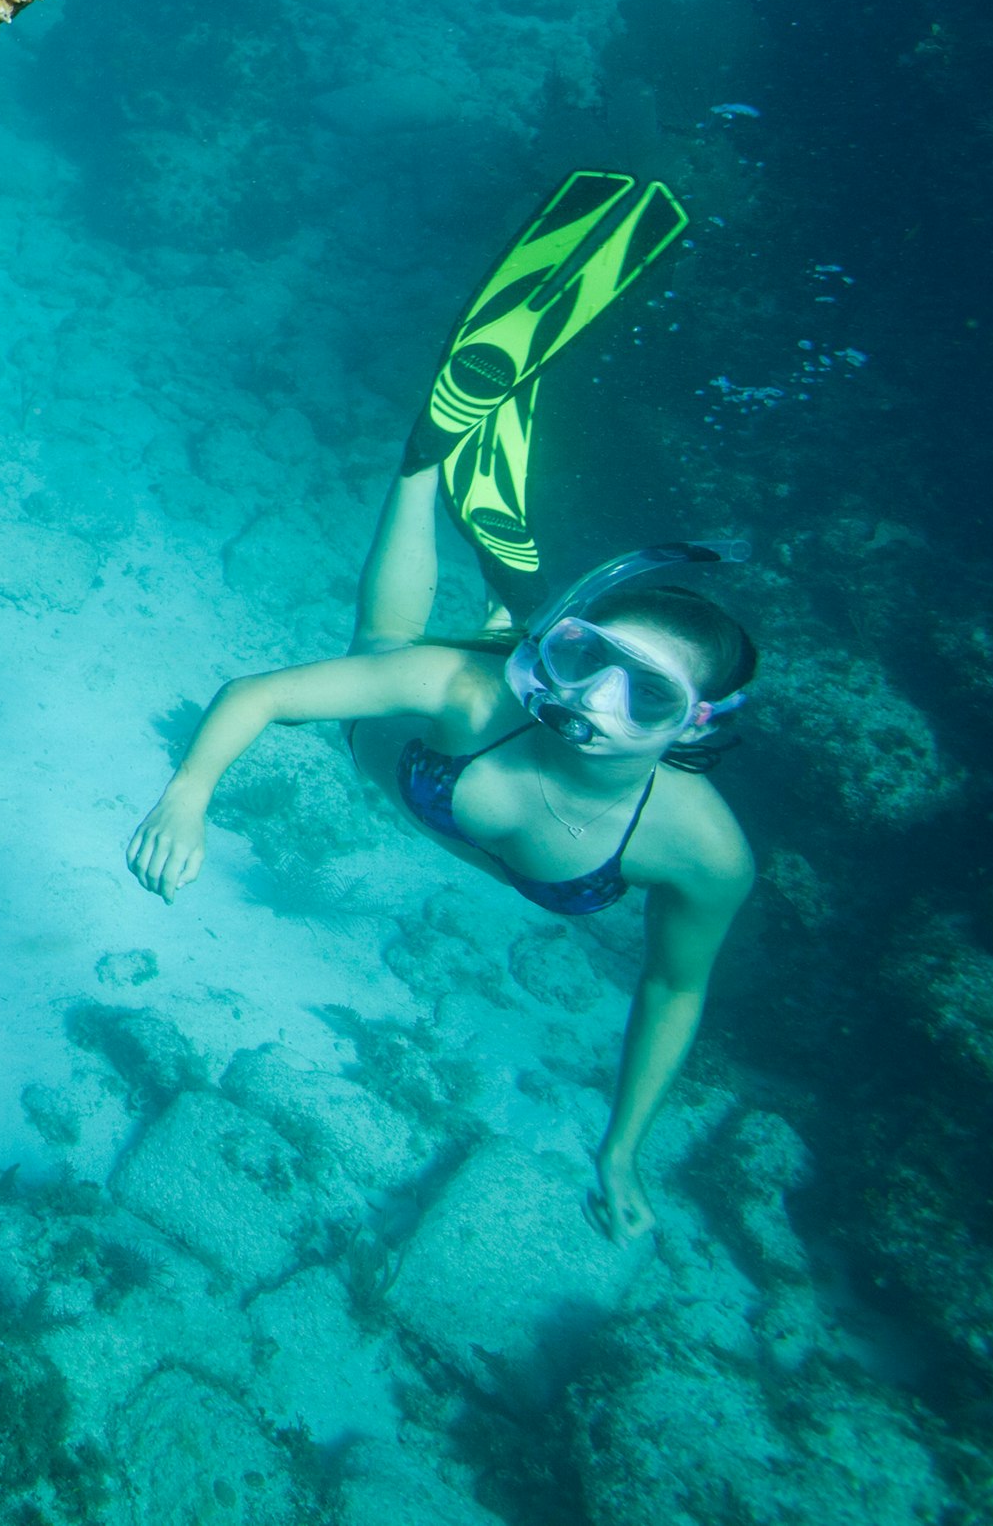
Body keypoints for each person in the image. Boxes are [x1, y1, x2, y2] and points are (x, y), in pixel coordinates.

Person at [124, 173, 758, 1238]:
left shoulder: (703, 854)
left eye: (642, 691)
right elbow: (263, 695)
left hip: (490, 690)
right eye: (587, 658)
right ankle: (424, 469)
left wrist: (622, 1148)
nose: (591, 701)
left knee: (439, 648)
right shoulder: (470, 694)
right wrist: (189, 794)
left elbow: (672, 992)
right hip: (442, 708)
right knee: (385, 656)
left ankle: (487, 539)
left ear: (697, 726)